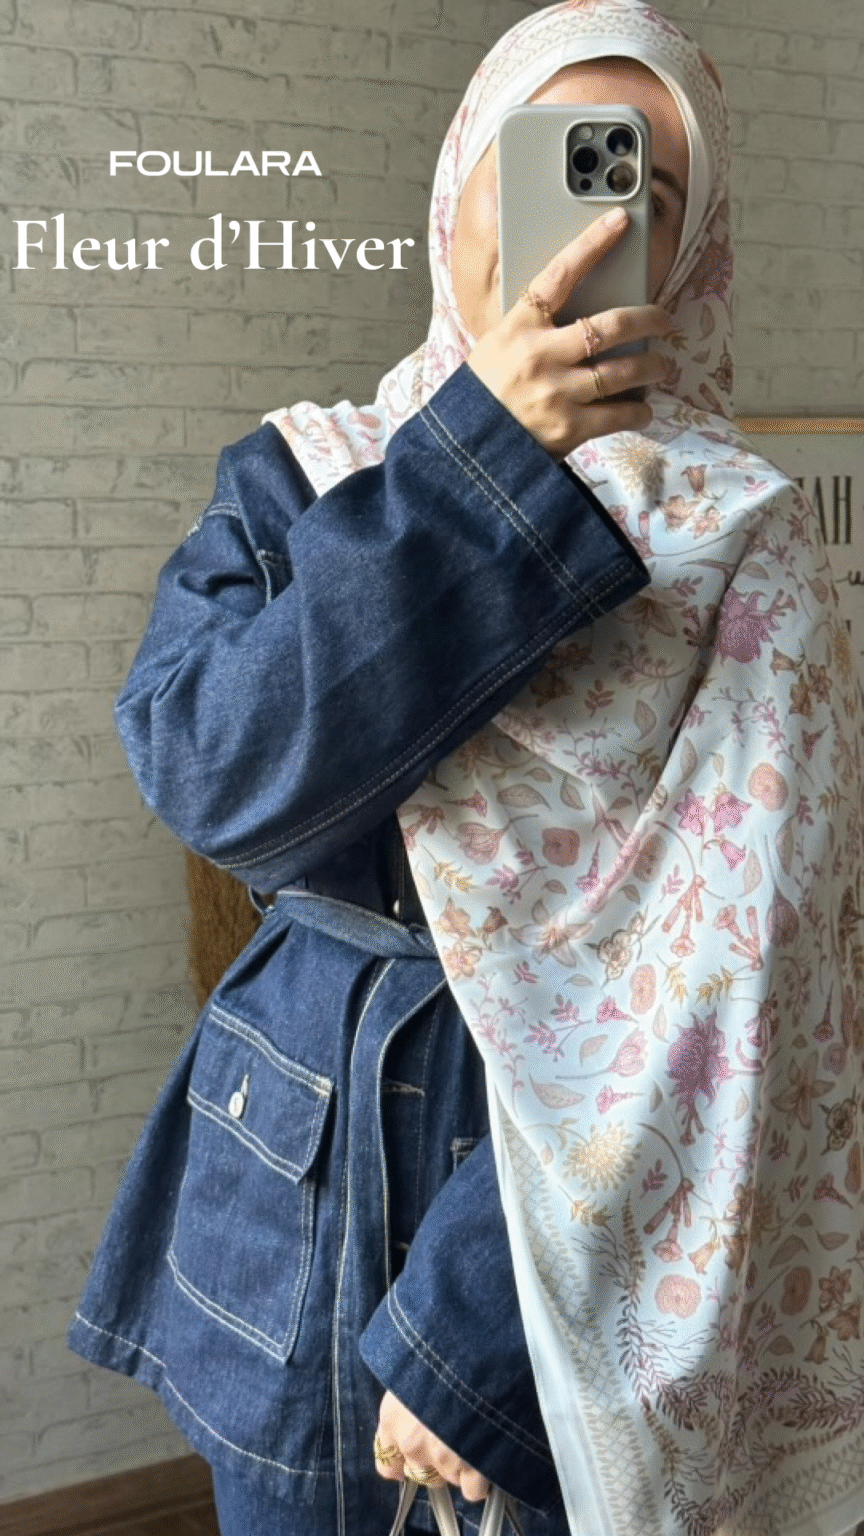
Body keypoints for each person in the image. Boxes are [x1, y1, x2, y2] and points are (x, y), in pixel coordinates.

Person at [68, 4, 864, 1536]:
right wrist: (477, 454)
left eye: (645, 189)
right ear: (457, 188)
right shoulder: (303, 469)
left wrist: (475, 1329)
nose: (596, 221)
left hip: (575, 1252)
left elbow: (736, 982)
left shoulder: (742, 539)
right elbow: (217, 775)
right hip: (289, 1199)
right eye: (551, 160)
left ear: (694, 253)